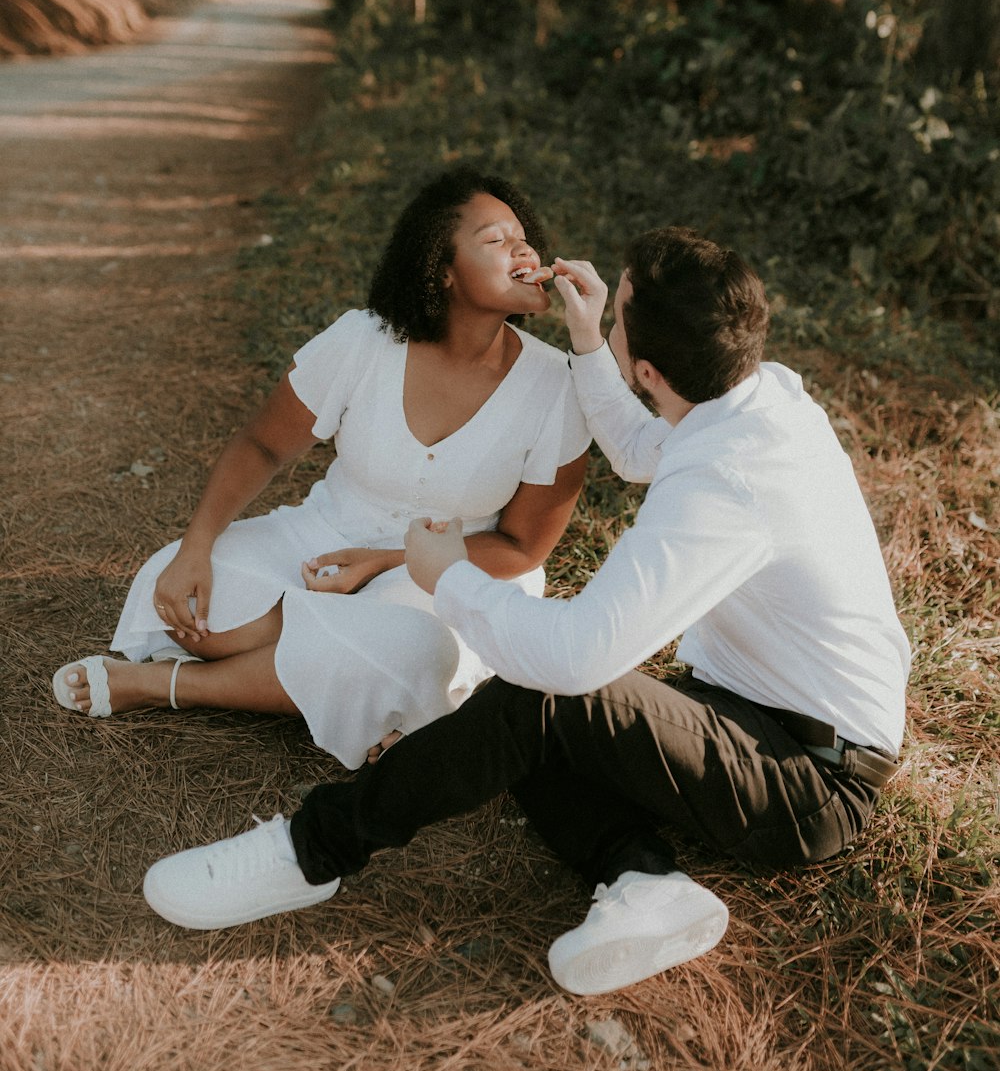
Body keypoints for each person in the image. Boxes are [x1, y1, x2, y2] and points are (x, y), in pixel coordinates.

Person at [141, 226, 910, 997]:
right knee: (539, 709)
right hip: (745, 713)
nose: (605, 317)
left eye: (617, 315)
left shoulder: (726, 487)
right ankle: (644, 882)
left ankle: (311, 850)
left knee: (538, 691)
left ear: (645, 368)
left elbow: (577, 658)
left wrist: (445, 576)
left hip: (812, 779)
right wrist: (588, 339)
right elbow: (644, 451)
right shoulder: (759, 393)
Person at [52, 168, 590, 768]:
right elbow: (262, 445)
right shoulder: (364, 341)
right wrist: (197, 547)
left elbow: (521, 547)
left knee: (416, 649)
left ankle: (164, 684)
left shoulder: (558, 386)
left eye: (524, 238)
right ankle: (340, 666)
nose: (524, 249)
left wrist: (387, 563)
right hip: (320, 539)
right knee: (183, 590)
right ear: (442, 269)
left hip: (457, 572)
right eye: (496, 240)